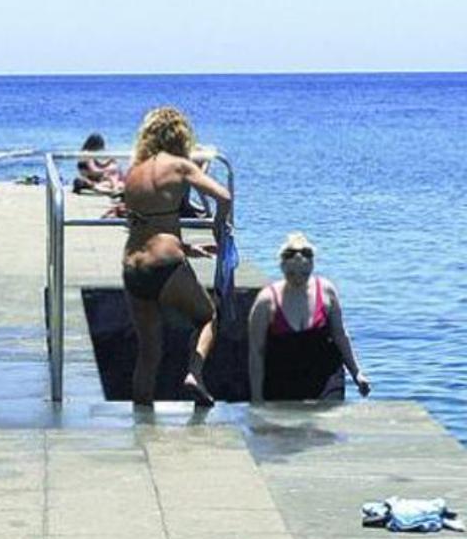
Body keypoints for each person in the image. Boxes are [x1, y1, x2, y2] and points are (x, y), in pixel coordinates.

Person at [122, 107, 231, 407]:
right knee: (208, 316)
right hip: (166, 263)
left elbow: (147, 227)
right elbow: (224, 196)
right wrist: (218, 232)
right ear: (181, 136)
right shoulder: (181, 166)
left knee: (148, 353)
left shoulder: (133, 173)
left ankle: (141, 423)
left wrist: (191, 250)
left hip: (133, 265)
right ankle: (194, 374)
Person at [248, 233, 371, 402]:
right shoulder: (266, 301)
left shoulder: (327, 291)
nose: (298, 279)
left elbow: (340, 335)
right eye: (292, 274)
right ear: (282, 267)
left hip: (325, 375)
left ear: (311, 266)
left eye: (304, 274)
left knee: (325, 420)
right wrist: (256, 397)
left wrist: (357, 374)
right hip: (284, 376)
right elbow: (256, 352)